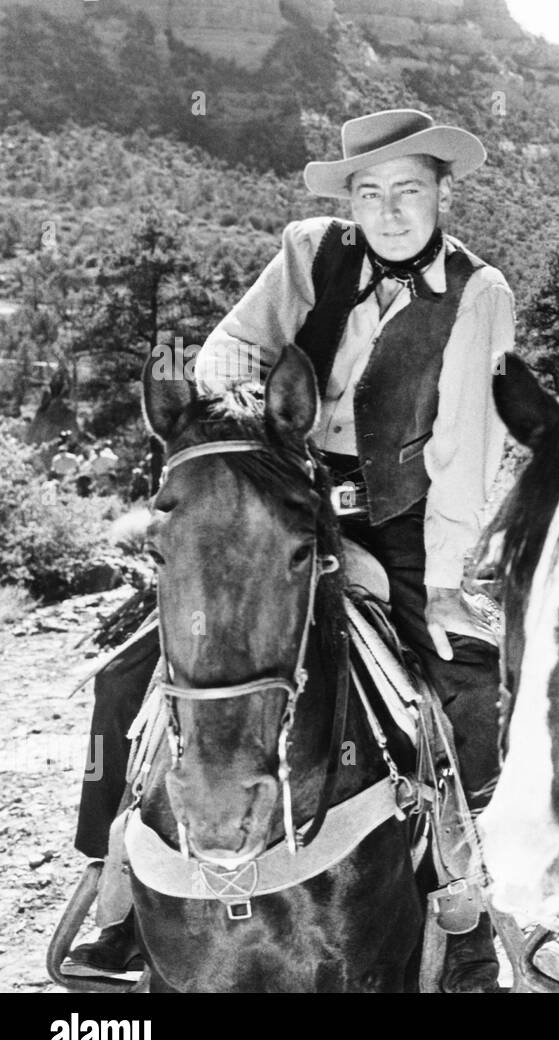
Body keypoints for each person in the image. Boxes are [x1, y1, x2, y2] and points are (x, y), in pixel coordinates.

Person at [64, 108, 511, 993]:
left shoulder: (478, 291)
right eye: (371, 193)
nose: (389, 213)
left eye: (409, 193)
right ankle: (110, 885)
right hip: (282, 487)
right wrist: (265, 433)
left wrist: (448, 578)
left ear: (441, 195)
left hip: (401, 517)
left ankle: (461, 901)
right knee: (125, 680)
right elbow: (230, 350)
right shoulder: (310, 250)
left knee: (464, 680)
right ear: (350, 200)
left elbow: (466, 448)